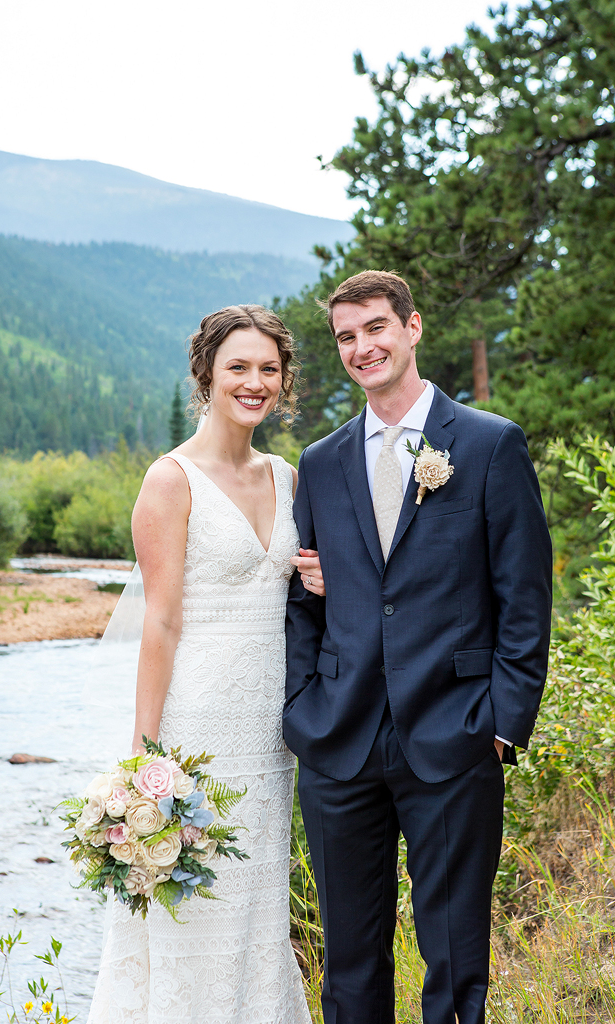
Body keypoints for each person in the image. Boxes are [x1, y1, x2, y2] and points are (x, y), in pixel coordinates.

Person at [283, 270, 553, 1024]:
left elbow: (524, 599)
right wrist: (303, 707)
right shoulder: (319, 462)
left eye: (374, 327)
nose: (361, 347)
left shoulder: (489, 445)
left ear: (411, 328)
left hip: (455, 734)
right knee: (348, 963)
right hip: (338, 741)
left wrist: (502, 726)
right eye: (345, 336)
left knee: (455, 956)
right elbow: (303, 600)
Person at [86, 305, 323, 1024]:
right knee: (190, 907)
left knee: (253, 905)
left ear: (283, 382)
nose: (255, 383)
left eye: (268, 370)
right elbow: (159, 618)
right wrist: (144, 753)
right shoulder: (170, 479)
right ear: (206, 375)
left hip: (267, 730)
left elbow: (293, 586)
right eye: (238, 368)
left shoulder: (288, 475)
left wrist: (319, 577)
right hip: (195, 721)